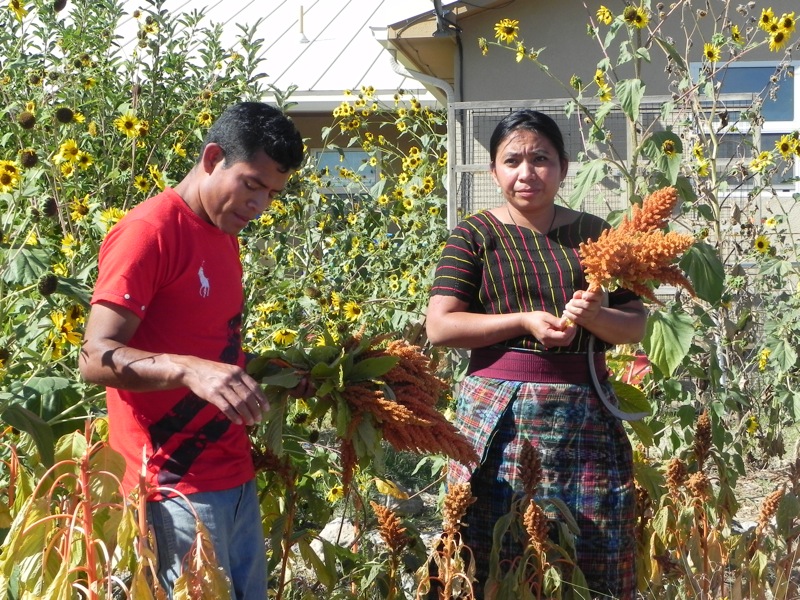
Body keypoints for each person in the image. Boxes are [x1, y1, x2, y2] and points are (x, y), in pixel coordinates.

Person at [79, 101, 305, 599]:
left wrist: (282, 372)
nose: (259, 205)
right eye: (251, 184)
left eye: (271, 194)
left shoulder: (222, 233)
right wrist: (188, 370)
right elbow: (94, 356)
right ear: (212, 158)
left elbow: (210, 345)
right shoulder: (149, 233)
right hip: (171, 489)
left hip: (232, 476)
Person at [426, 109, 647, 599]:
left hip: (584, 416)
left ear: (563, 168)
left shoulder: (595, 235)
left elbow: (635, 323)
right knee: (494, 544)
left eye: (541, 159)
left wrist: (595, 316)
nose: (527, 173)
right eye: (512, 161)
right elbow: (440, 325)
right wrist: (523, 321)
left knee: (593, 546)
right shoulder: (474, 235)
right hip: (499, 415)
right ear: (494, 171)